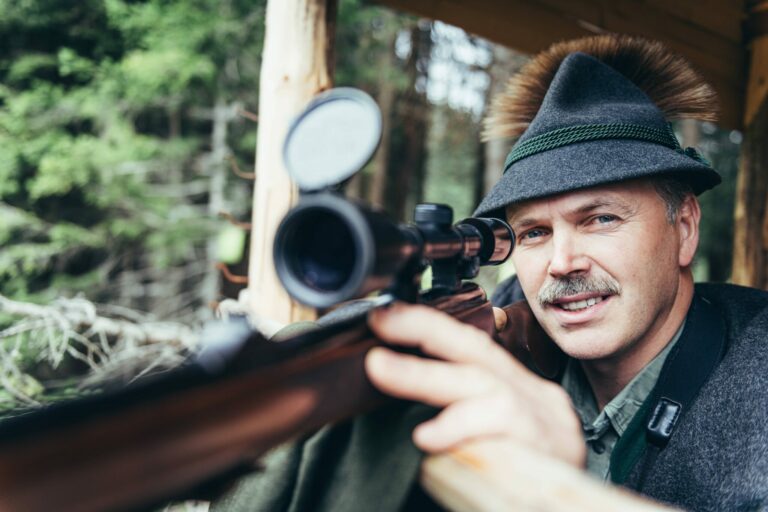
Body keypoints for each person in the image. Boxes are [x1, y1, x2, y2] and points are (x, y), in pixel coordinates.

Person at [214, 34, 768, 511]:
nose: (561, 262)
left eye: (600, 219)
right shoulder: (498, 331)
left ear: (685, 228)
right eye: (533, 233)